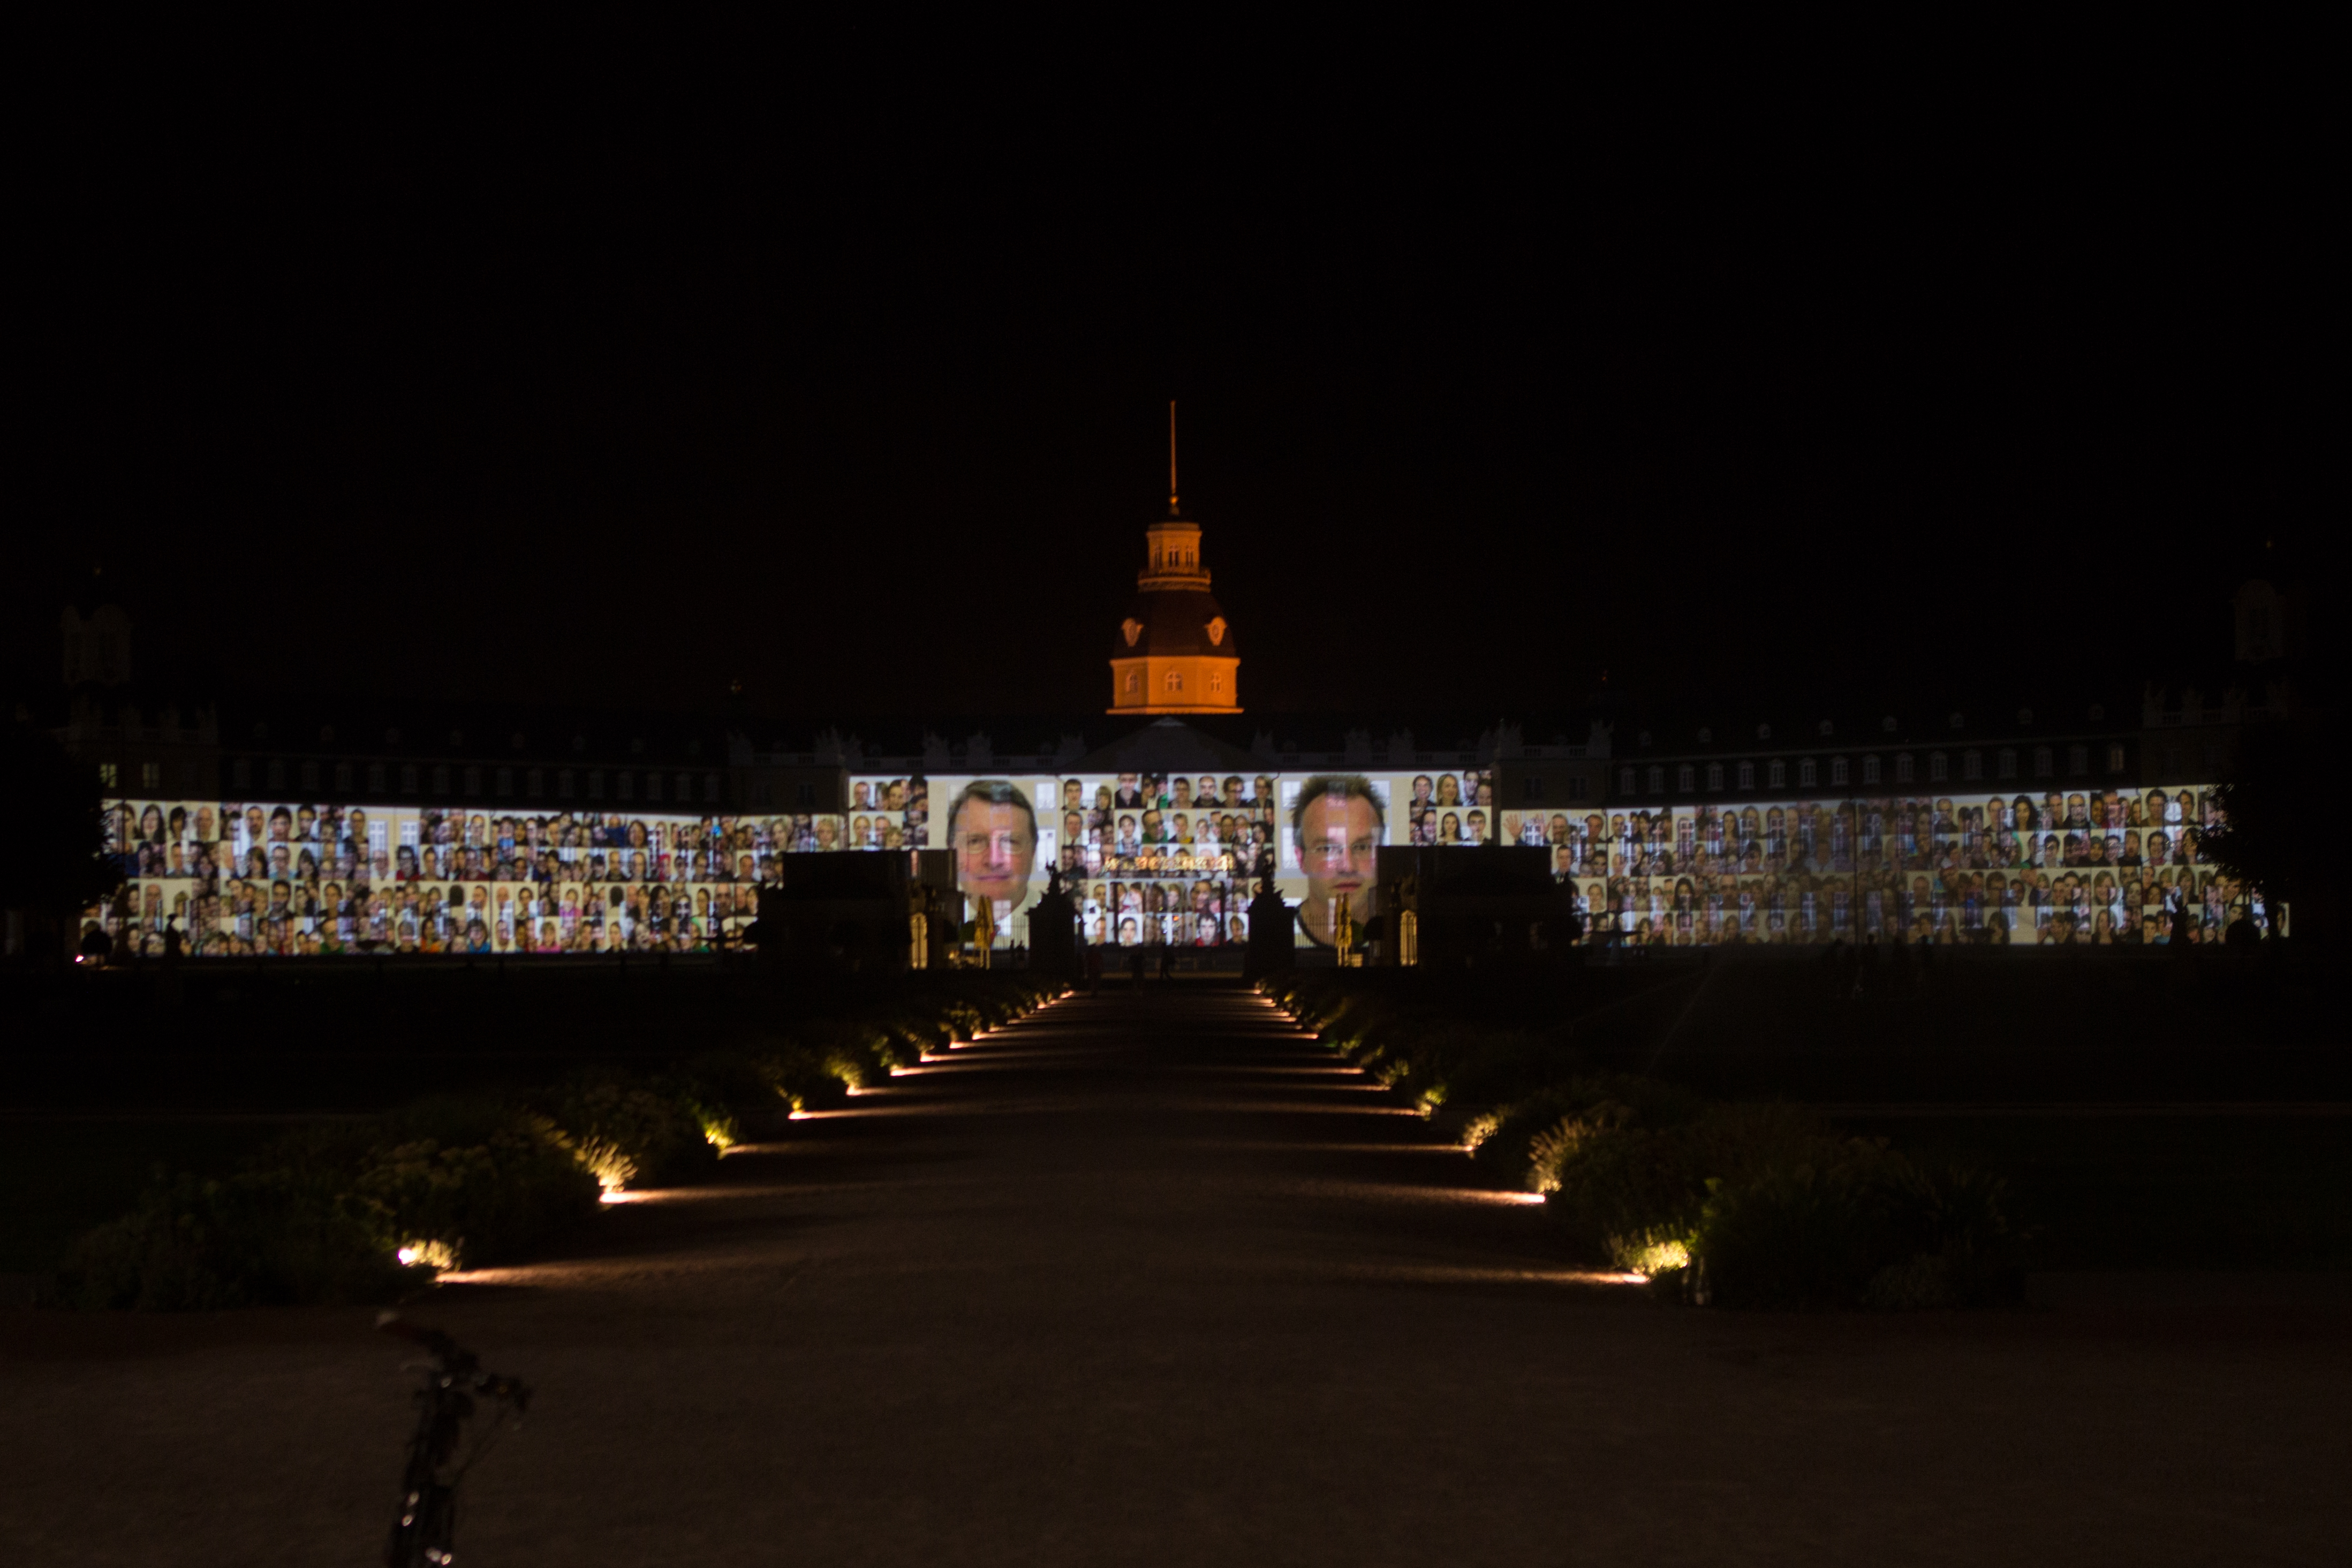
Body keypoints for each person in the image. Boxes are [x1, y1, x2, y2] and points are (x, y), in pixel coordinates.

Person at [1293, 774, 1383, 947]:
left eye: (1363, 847)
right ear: (1301, 859)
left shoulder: (1408, 937)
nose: (1347, 867)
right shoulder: (1273, 939)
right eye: (1327, 849)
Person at [949, 779, 1038, 929]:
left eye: (1010, 841)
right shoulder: (937, 925)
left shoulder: (1062, 923)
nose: (994, 860)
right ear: (952, 853)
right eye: (975, 841)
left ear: (1033, 851)